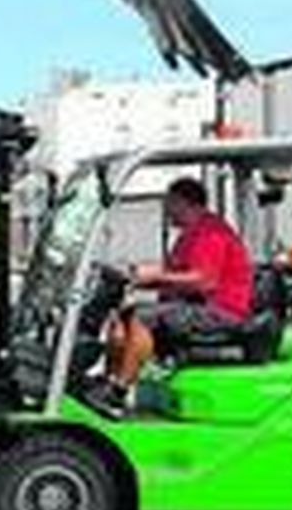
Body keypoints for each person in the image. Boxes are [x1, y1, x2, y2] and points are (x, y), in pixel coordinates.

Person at [87, 176, 254, 418]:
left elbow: (203, 281)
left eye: (170, 204)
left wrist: (153, 276)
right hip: (200, 306)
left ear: (185, 203)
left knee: (143, 317)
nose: (166, 210)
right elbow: (176, 276)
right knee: (124, 314)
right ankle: (108, 381)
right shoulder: (189, 235)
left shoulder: (210, 233)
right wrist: (138, 279)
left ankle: (118, 392)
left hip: (221, 312)